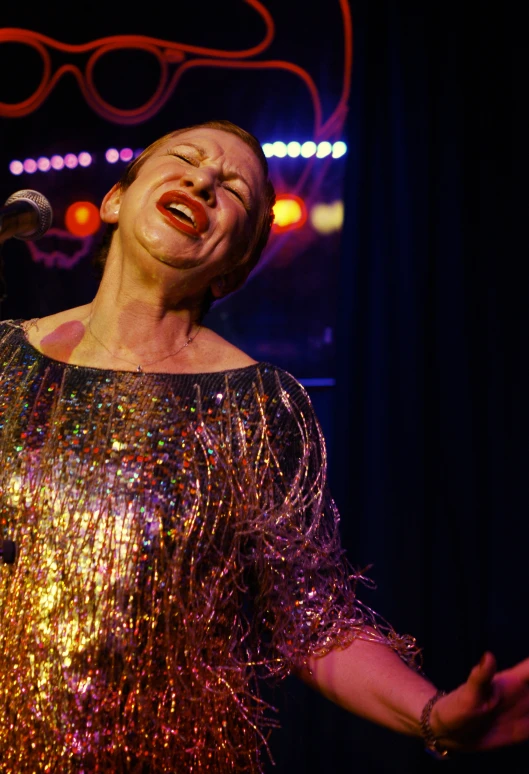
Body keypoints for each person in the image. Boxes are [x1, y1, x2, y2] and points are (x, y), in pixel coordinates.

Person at [0, 118, 528, 773]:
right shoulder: (5, 359)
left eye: (233, 191)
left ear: (235, 264)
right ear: (113, 201)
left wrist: (432, 714)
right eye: (185, 161)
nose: (202, 181)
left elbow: (313, 622)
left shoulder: (259, 406)